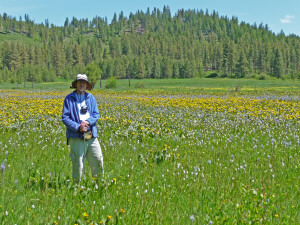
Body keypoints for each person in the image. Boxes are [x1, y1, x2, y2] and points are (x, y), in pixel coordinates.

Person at [62, 74, 104, 183]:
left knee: (98, 161)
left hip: (91, 135)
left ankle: (98, 187)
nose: (81, 84)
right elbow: (65, 118)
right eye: (79, 82)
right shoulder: (69, 99)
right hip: (76, 136)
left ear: (86, 85)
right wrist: (78, 127)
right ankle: (77, 188)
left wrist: (88, 122)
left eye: (84, 82)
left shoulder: (91, 98)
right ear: (76, 84)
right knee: (78, 165)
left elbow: (96, 114)